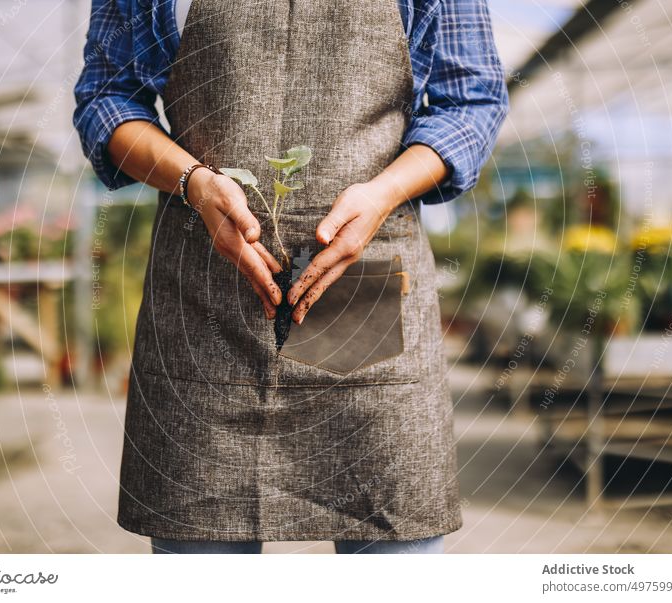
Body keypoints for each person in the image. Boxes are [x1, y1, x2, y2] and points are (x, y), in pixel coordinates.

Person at [74, 0, 508, 554]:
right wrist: (193, 182)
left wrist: (383, 194)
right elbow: (106, 97)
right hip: (206, 298)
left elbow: (470, 102)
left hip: (363, 278)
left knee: (391, 545)